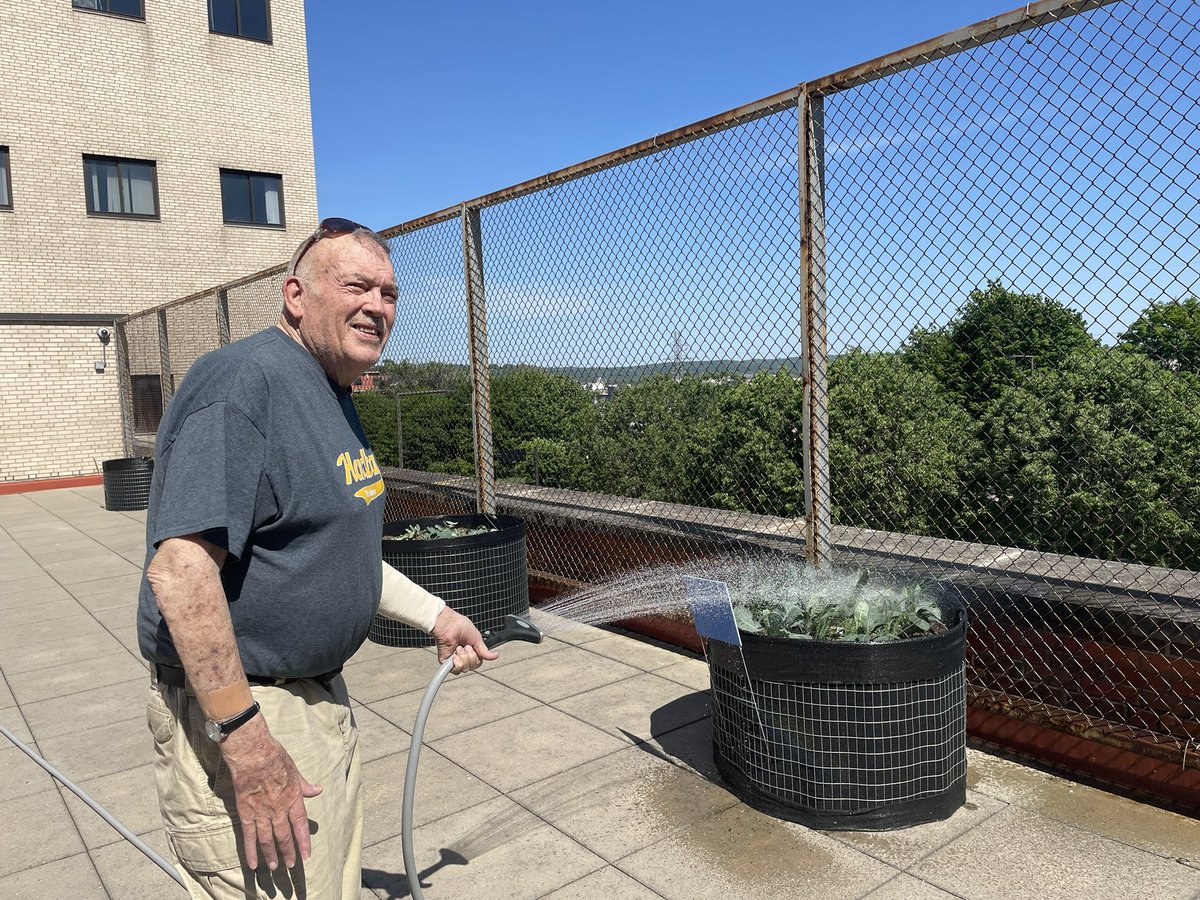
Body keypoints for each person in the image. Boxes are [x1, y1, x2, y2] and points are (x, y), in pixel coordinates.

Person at [136, 218, 498, 900]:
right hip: (252, 709)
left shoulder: (329, 389)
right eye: (357, 285)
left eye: (390, 293)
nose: (378, 305)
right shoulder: (242, 384)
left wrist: (436, 614)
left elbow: (331, 548)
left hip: (311, 700)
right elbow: (181, 572)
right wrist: (245, 741)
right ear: (296, 295)